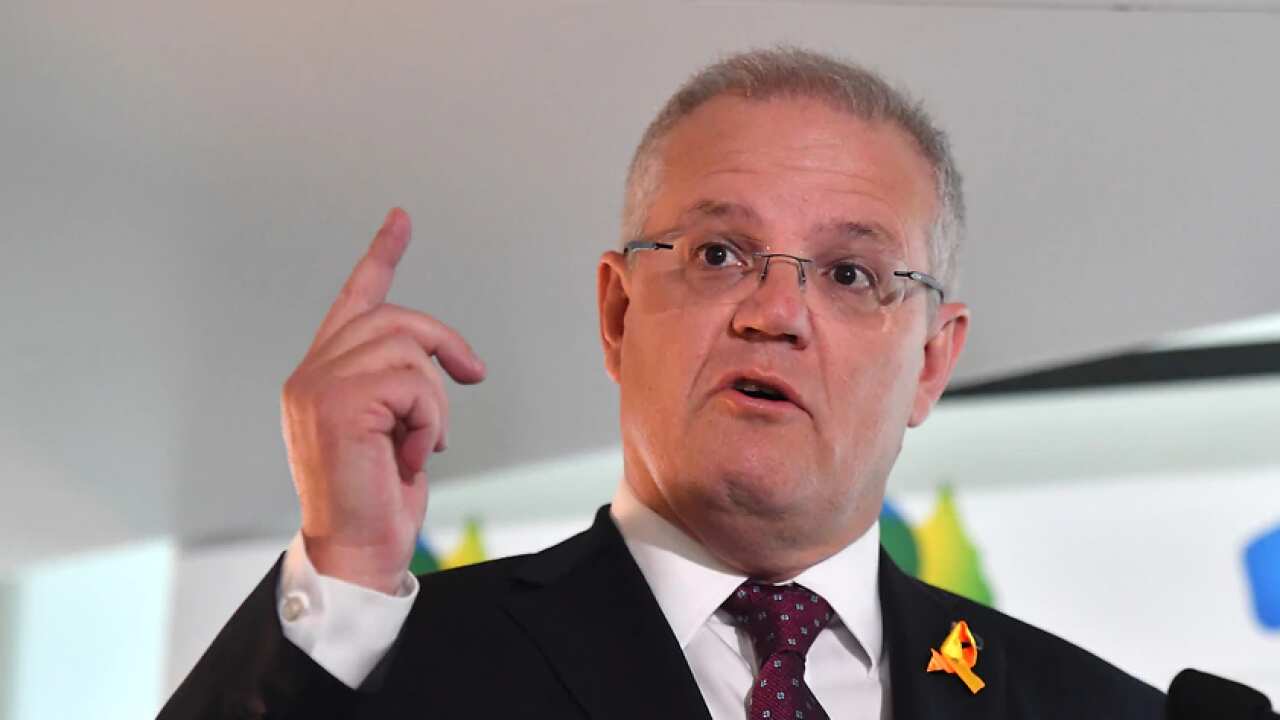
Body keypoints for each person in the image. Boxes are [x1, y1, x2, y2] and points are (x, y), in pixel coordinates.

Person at [160, 47, 1165, 719]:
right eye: (719, 255)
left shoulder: (1098, 710)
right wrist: (342, 566)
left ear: (930, 363)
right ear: (616, 313)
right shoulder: (384, 666)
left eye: (851, 274)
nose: (772, 313)